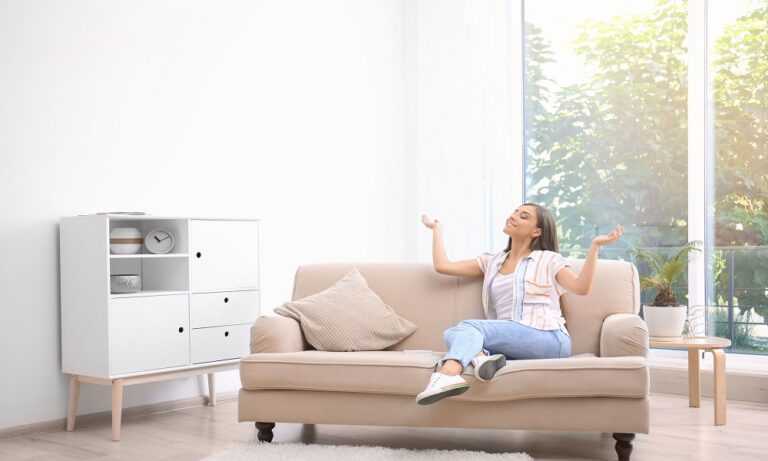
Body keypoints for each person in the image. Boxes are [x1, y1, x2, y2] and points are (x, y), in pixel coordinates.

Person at [416, 203, 624, 405]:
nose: (513, 216)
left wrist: (595, 247)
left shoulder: (548, 260)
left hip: (548, 337)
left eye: (523, 216)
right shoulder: (493, 261)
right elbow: (443, 266)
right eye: (515, 212)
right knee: (452, 333)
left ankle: (448, 373)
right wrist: (437, 229)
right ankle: (481, 359)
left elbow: (581, 288)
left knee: (469, 328)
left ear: (536, 232)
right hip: (513, 339)